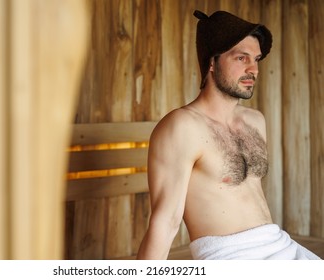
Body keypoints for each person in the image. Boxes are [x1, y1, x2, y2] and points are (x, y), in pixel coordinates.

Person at [136, 10, 321, 260]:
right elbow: (166, 221)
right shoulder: (181, 126)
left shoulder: (254, 121)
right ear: (212, 62)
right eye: (241, 58)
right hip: (230, 258)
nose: (253, 69)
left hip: (279, 245)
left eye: (256, 59)